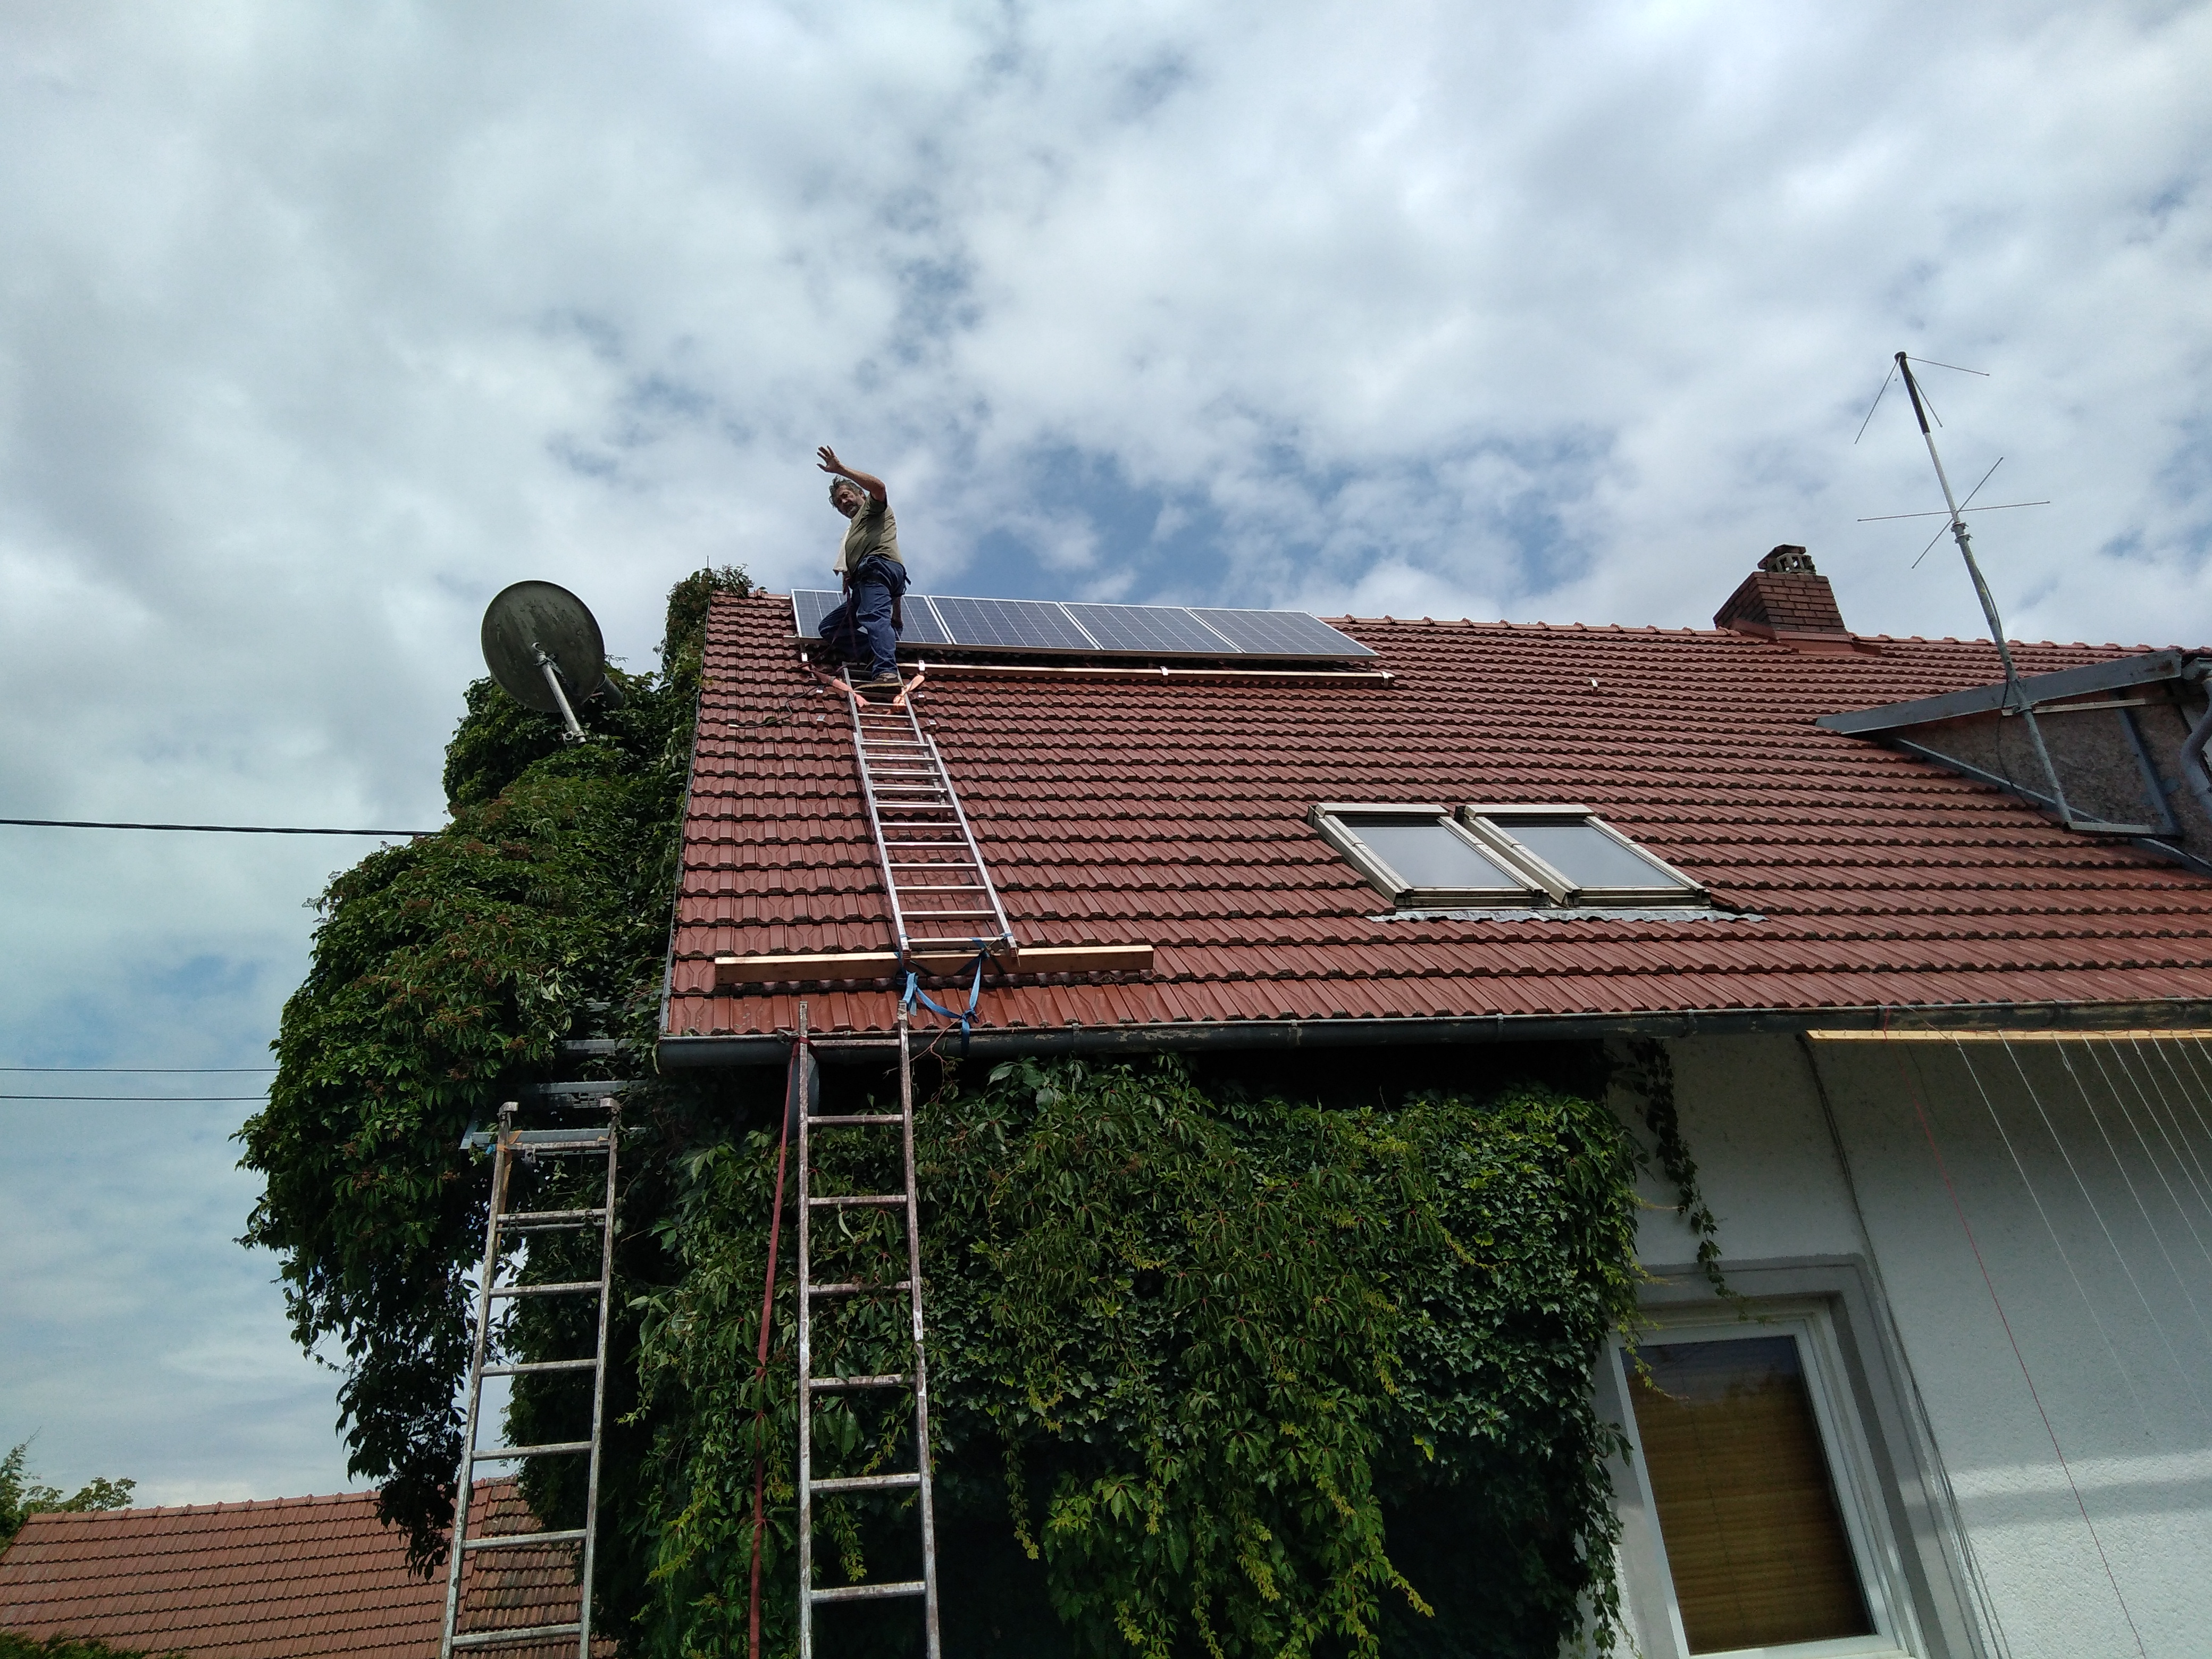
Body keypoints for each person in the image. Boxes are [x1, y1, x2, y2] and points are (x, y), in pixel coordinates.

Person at [814, 446, 908, 688]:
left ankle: (887, 672)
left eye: (847, 495)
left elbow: (879, 488)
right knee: (830, 627)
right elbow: (893, 586)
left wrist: (842, 469)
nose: (844, 501)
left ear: (861, 495)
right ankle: (873, 655)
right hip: (868, 579)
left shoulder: (872, 509)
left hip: (876, 570)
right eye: (839, 502)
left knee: (874, 618)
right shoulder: (855, 528)